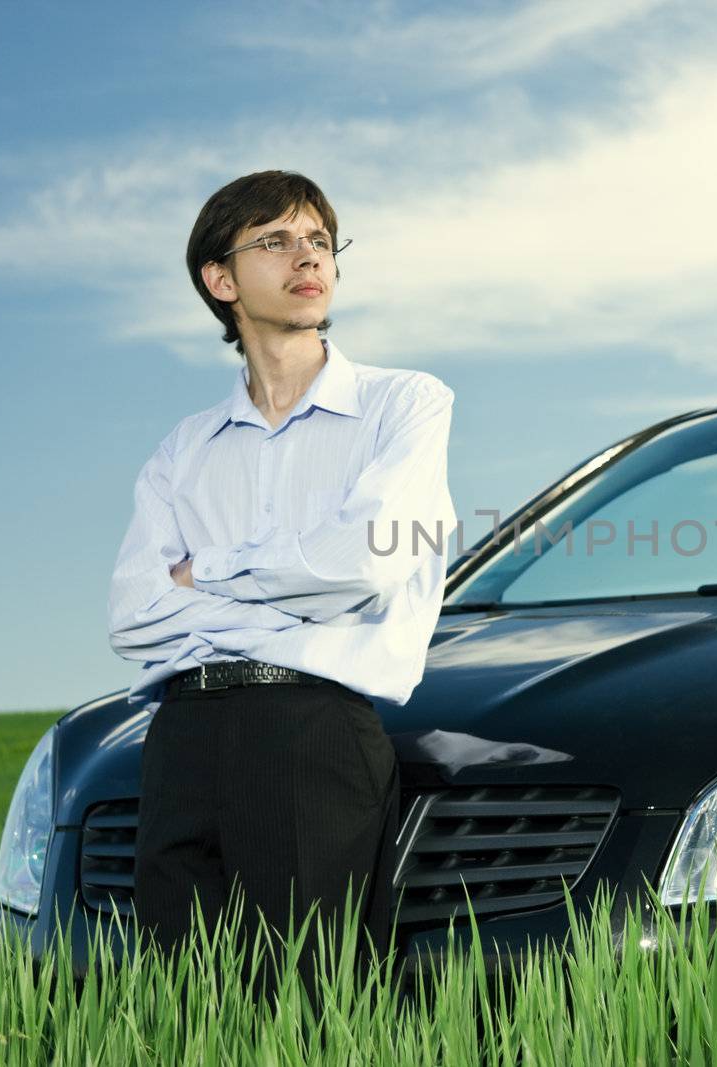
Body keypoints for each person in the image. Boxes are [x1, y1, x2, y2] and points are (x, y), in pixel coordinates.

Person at [106, 169, 456, 1006]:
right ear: (220, 281)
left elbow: (362, 563)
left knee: (307, 1004)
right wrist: (287, 583)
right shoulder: (183, 449)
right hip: (180, 733)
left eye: (320, 240)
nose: (308, 256)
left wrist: (209, 574)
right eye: (276, 240)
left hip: (311, 733)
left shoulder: (402, 404)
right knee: (179, 1007)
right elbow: (132, 615)